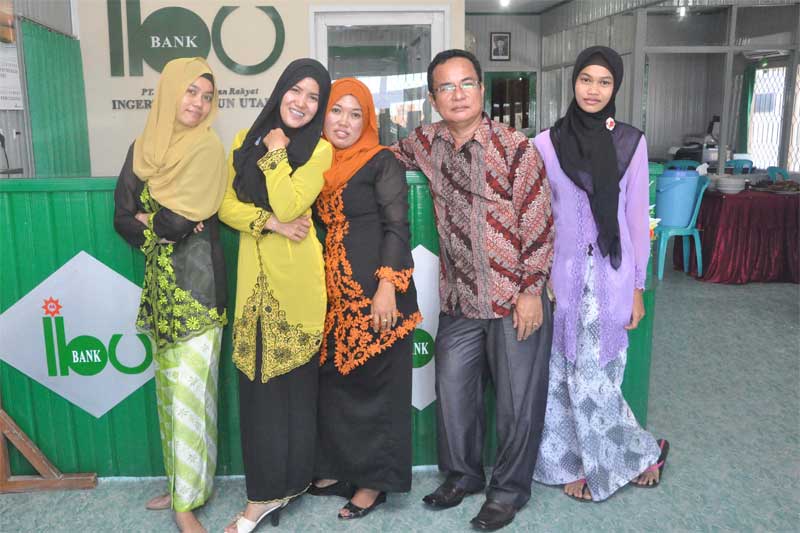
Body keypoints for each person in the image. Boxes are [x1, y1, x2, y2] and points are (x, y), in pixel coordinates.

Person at [392, 49, 554, 531]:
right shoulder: (426, 142)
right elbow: (381, 158)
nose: (458, 95)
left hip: (513, 298)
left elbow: (539, 221)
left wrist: (531, 291)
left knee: (516, 403)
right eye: (446, 87)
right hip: (460, 300)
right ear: (432, 98)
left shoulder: (515, 147)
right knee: (453, 392)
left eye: (466, 84)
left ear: (482, 90)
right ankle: (463, 476)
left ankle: (508, 492)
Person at [531, 46, 670, 503]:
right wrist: (541, 277)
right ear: (573, 82)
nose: (593, 90)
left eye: (604, 82)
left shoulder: (630, 142)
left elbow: (635, 219)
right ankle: (571, 462)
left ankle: (635, 454)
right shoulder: (546, 144)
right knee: (561, 372)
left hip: (611, 275)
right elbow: (539, 217)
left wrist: (637, 288)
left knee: (596, 375)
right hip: (561, 277)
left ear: (616, 88)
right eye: (586, 79)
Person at [113, 57, 227, 533]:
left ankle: (186, 504)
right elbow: (121, 217)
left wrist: (156, 221)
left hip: (198, 290)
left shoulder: (207, 149)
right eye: (190, 91)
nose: (198, 103)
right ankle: (185, 485)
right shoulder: (143, 148)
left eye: (207, 96)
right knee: (169, 398)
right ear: (170, 92)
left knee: (191, 399)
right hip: (160, 292)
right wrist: (157, 224)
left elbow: (177, 223)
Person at [218, 59, 332, 533]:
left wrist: (278, 152)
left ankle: (288, 484)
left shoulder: (319, 150)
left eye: (313, 97)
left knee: (296, 393)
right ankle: (263, 494)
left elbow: (290, 202)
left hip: (297, 286)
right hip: (253, 286)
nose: (302, 103)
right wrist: (268, 223)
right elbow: (225, 205)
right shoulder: (244, 139)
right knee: (258, 394)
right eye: (295, 90)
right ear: (281, 90)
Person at [309, 78, 422, 519]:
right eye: (336, 111)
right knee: (340, 387)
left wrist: (387, 287)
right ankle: (343, 470)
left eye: (356, 114)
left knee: (379, 390)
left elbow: (397, 226)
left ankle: (374, 483)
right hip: (336, 298)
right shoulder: (317, 162)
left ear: (368, 121)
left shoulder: (380, 161)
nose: (344, 122)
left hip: (379, 294)